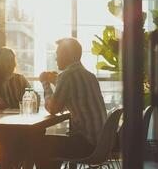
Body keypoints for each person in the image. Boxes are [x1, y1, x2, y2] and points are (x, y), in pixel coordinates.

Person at [33, 38, 107, 168]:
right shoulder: (89, 75)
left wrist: (45, 82)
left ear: (66, 55)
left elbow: (53, 108)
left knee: (39, 144)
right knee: (50, 144)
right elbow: (75, 92)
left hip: (86, 145)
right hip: (102, 144)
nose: (56, 59)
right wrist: (56, 80)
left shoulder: (66, 76)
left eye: (58, 54)